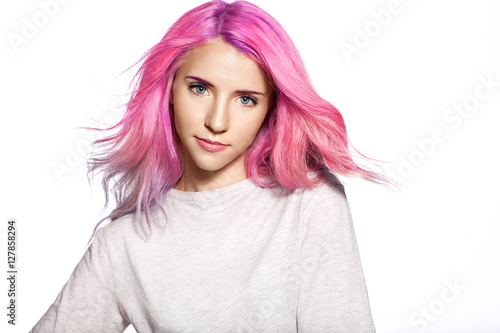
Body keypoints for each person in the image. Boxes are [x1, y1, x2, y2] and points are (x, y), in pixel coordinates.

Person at [31, 0, 386, 332]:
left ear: (270, 108)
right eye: (199, 89)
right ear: (169, 88)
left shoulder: (309, 204)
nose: (217, 121)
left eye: (246, 99)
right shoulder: (124, 244)